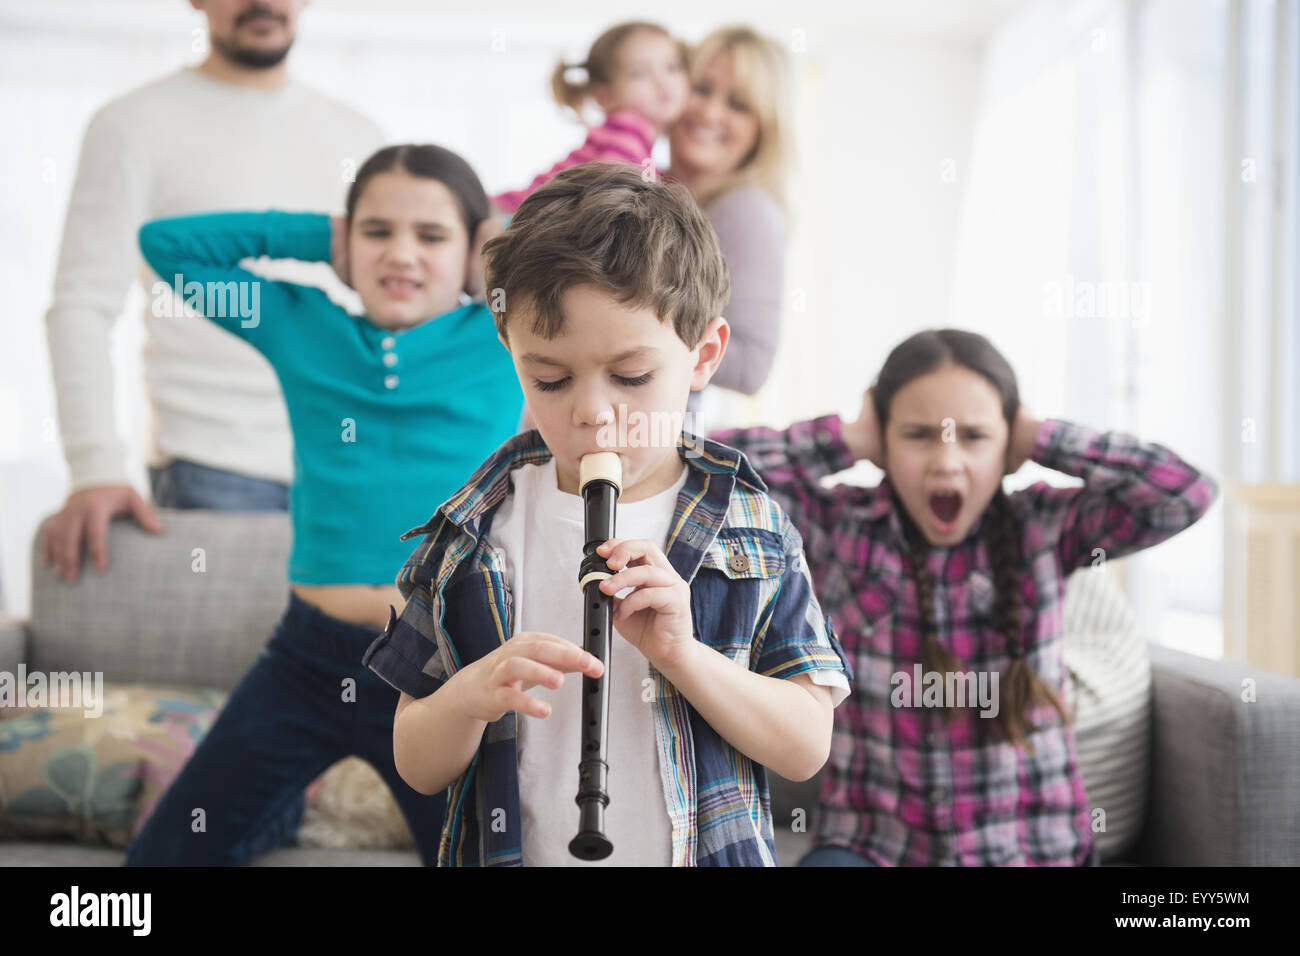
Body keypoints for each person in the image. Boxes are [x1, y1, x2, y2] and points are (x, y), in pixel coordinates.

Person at [362, 162, 852, 866]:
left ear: (704, 355)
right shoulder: (474, 528)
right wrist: (469, 696)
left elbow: (806, 746)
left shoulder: (750, 523)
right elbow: (417, 761)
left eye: (631, 376)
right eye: (551, 378)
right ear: (512, 354)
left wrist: (683, 657)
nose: (592, 413)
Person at [123, 144, 523, 866]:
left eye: (432, 236)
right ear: (347, 242)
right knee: (164, 860)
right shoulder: (302, 327)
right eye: (377, 231)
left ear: (472, 252)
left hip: (445, 665)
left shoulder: (506, 338)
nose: (401, 253)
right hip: (305, 659)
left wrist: (502, 244)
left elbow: (596, 271)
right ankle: (273, 819)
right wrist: (317, 236)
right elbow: (166, 247)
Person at [709, 328, 1219, 865]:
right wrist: (850, 435)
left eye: (974, 436)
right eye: (919, 435)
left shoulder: (1044, 526)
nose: (946, 462)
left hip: (1027, 851)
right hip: (874, 847)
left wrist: (1043, 436)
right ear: (883, 444)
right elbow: (713, 468)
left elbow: (1184, 493)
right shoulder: (841, 528)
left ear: (1010, 446)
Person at [41, 0, 384, 582]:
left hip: (349, 465)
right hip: (212, 466)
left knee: (362, 667)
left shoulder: (356, 132)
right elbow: (82, 305)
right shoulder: (131, 124)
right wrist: (95, 466)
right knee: (223, 664)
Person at [664, 26, 794, 428]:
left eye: (738, 104)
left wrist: (632, 326)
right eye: (702, 89)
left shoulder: (745, 208)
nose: (710, 112)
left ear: (762, 129)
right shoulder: (644, 184)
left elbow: (752, 365)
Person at [491, 21, 689, 214]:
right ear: (605, 96)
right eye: (639, 73)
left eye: (672, 67)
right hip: (514, 214)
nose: (662, 81)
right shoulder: (629, 131)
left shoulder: (631, 138)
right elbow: (620, 199)